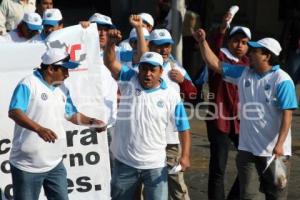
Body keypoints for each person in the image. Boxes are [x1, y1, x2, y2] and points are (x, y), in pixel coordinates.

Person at [194, 28, 298, 200]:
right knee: (248, 196)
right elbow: (215, 64)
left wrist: (279, 144)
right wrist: (202, 42)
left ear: (267, 56)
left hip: (274, 153)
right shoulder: (244, 73)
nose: (249, 53)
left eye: (255, 51)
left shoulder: (282, 80)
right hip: (247, 150)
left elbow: (287, 115)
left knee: (277, 195)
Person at [8, 48, 106, 200]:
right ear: (51, 68)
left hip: (55, 163)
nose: (67, 74)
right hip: (27, 165)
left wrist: (92, 122)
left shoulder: (62, 88)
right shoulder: (28, 84)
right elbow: (14, 112)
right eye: (65, 69)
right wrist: (39, 129)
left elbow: (71, 114)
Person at [104, 29, 191, 200]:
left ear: (160, 71)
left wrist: (185, 155)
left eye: (153, 69)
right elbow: (109, 62)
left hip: (155, 165)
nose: (147, 74)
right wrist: (111, 43)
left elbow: (183, 127)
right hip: (125, 163)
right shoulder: (129, 79)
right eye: (144, 68)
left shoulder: (171, 95)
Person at [204, 11, 252, 200]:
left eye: (244, 42)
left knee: (249, 164)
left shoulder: (249, 63)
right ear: (228, 41)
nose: (239, 45)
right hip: (220, 120)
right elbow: (214, 45)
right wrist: (223, 27)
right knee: (218, 168)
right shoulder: (220, 58)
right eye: (236, 41)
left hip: (243, 122)